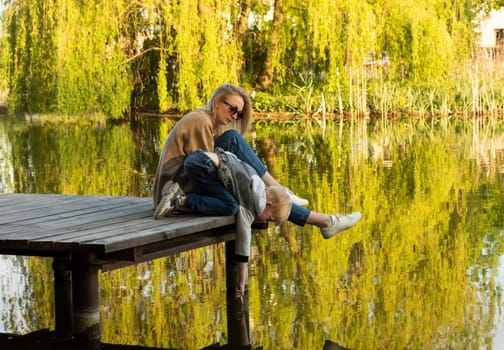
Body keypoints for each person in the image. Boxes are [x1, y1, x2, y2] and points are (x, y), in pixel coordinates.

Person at [152, 83, 361, 240]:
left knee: (233, 141)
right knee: (255, 196)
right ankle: (318, 217)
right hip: (176, 189)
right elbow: (201, 168)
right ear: (217, 102)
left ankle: (282, 192)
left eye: (239, 113)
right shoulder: (200, 122)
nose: (235, 116)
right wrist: (249, 186)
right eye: (232, 109)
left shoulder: (205, 121)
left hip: (187, 181)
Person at [155, 148, 292, 297]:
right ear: (268, 204)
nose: (265, 221)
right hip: (204, 167)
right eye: (269, 218)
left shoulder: (254, 177)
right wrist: (241, 281)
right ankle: (180, 199)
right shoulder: (251, 205)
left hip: (199, 158)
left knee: (224, 200)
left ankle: (178, 201)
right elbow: (243, 246)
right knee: (231, 207)